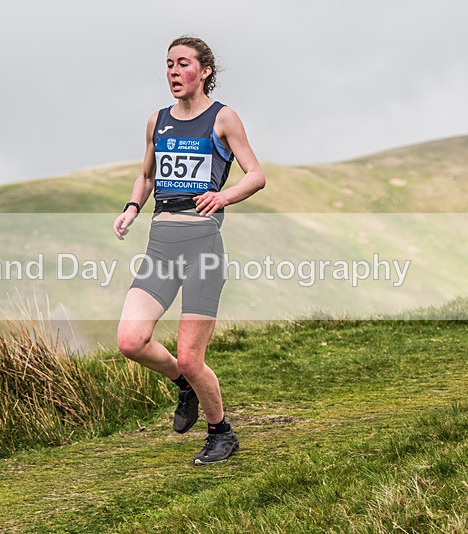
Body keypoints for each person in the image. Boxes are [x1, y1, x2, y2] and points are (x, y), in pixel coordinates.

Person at [113, 36, 265, 465]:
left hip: (202, 247)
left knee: (191, 356)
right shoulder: (157, 121)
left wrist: (224, 197)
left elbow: (256, 175)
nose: (174, 72)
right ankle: (183, 386)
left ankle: (222, 433)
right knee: (130, 340)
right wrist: (131, 208)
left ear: (205, 71)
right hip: (160, 246)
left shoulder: (223, 118)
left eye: (183, 64)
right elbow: (145, 176)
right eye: (168, 64)